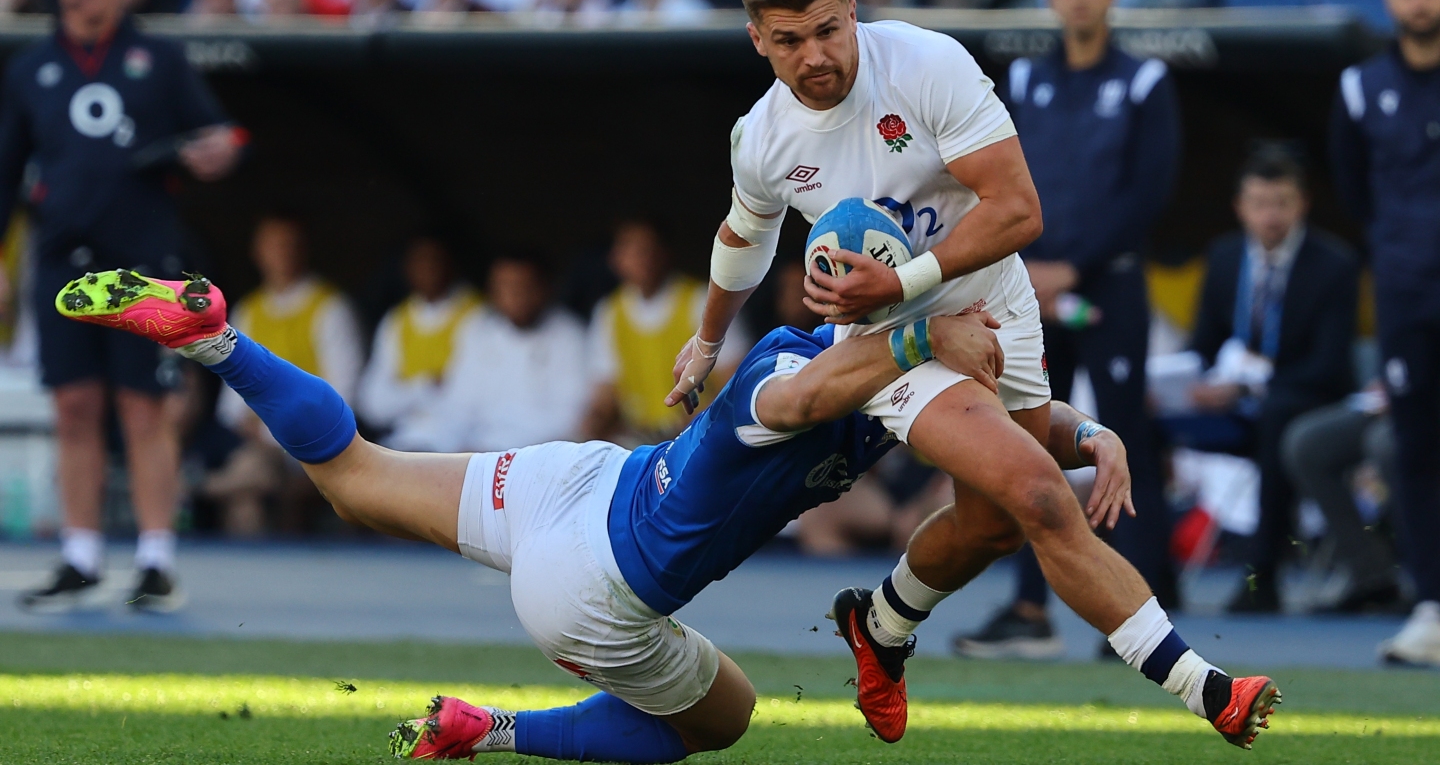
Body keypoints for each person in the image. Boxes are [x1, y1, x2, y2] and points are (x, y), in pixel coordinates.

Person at [54, 266, 1266, 764]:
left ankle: (218, 337)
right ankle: (496, 733)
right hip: (598, 579)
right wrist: (929, 326)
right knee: (723, 719)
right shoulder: (795, 381)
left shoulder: (852, 366)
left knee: (354, 472)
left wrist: (1083, 428)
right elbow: (851, 380)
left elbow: (978, 422)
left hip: (583, 480)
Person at [666, 0, 1277, 748]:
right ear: (757, 39)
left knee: (992, 525)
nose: (815, 56)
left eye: (826, 29)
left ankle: (880, 622)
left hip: (995, 303)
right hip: (887, 341)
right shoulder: (764, 137)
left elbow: (1020, 211)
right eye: (789, 41)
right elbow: (742, 239)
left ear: (851, 11)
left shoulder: (927, 63)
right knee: (1039, 493)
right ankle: (1209, 689)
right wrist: (709, 338)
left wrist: (907, 281)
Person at [954, 0, 1181, 660]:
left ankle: (1140, 611)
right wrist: (1032, 269)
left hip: (1106, 286)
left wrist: (1072, 267)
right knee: (1023, 435)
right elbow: (1001, 177)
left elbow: (1148, 191)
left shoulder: (1145, 79)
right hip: (1030, 285)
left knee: (1124, 441)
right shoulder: (1025, 77)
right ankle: (1029, 608)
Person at [0, 0, 241, 611]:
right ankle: (79, 555)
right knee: (73, 408)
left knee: (144, 408)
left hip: (143, 264)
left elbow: (217, 133)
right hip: (61, 262)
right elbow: (6, 170)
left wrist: (217, 151)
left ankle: (155, 559)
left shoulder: (159, 60)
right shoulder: (30, 69)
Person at [1188, 149, 1359, 613]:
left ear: (1302, 203)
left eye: (1281, 202)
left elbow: (1329, 364)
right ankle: (1151, 576)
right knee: (1147, 409)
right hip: (1232, 396)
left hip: (1306, 397)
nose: (1271, 215)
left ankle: (1262, 575)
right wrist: (1188, 382)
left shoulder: (1335, 264)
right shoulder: (1224, 257)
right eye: (1260, 202)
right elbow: (1202, 343)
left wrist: (1247, 387)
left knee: (1277, 410)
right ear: (1240, 207)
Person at [1330, 0, 1440, 666]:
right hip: (1407, 295)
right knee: (1417, 451)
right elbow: (1353, 190)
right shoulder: (1360, 86)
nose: (1421, 2)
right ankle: (1431, 605)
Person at [207, 216, 363, 535]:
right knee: (245, 499)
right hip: (261, 449)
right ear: (257, 252)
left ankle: (202, 489)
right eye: (273, 245)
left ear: (304, 250)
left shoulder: (330, 308)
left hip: (315, 443)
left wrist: (272, 428)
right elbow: (229, 404)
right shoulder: (247, 311)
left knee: (251, 474)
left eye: (289, 245)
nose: (282, 253)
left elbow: (344, 396)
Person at [584, 219, 747, 445]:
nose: (641, 259)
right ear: (615, 258)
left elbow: (734, 380)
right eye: (630, 249)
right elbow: (606, 393)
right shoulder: (609, 313)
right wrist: (591, 428)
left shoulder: (702, 301)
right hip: (640, 439)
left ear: (665, 253)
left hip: (699, 434)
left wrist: (693, 422)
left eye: (647, 250)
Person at [438, 251, 589, 452]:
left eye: (524, 287)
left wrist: (508, 454)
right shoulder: (478, 330)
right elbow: (458, 405)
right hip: (477, 452)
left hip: (539, 457)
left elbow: (571, 418)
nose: (514, 295)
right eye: (504, 286)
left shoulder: (571, 336)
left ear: (545, 288)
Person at [1282, 388, 1404, 614]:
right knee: (1307, 442)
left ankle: (1428, 584)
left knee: (1386, 443)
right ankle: (1371, 575)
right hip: (1398, 397)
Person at [358, 237, 481, 451]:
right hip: (403, 439)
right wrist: (426, 386)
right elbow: (372, 403)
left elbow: (469, 402)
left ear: (451, 264)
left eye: (435, 261)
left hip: (458, 444)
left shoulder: (477, 314)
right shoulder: (397, 320)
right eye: (419, 262)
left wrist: (402, 394)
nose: (428, 269)